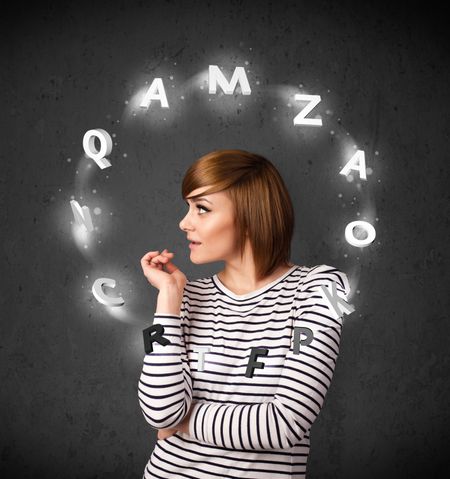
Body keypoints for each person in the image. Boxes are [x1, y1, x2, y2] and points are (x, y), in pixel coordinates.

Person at [138, 149, 351, 478]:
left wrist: (184, 421)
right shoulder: (184, 296)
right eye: (188, 208)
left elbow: (284, 424)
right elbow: (158, 413)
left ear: (251, 216)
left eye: (202, 209)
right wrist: (167, 298)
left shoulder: (321, 288)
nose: (184, 223)